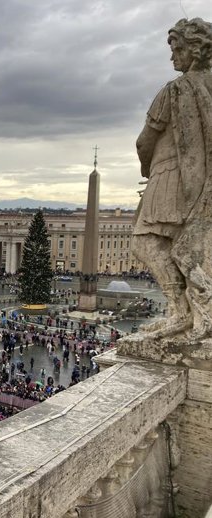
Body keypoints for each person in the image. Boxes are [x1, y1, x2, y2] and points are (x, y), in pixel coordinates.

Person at [132, 17, 212, 341]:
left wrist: (147, 169)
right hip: (201, 182)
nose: (172, 57)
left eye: (176, 48)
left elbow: (144, 141)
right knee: (183, 244)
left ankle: (180, 310)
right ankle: (191, 314)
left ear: (193, 50)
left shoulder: (175, 89)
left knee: (145, 242)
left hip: (170, 177)